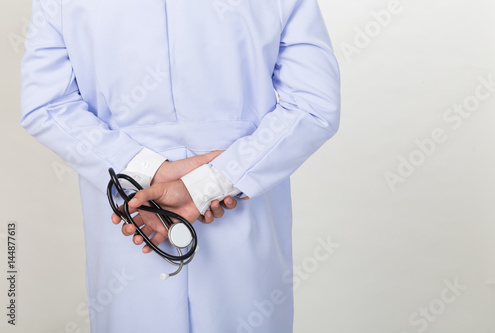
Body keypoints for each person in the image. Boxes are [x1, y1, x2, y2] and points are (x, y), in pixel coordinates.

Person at [20, 0, 341, 332]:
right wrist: (211, 181)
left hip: (135, 212)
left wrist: (143, 168)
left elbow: (46, 105)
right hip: (229, 212)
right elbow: (314, 104)